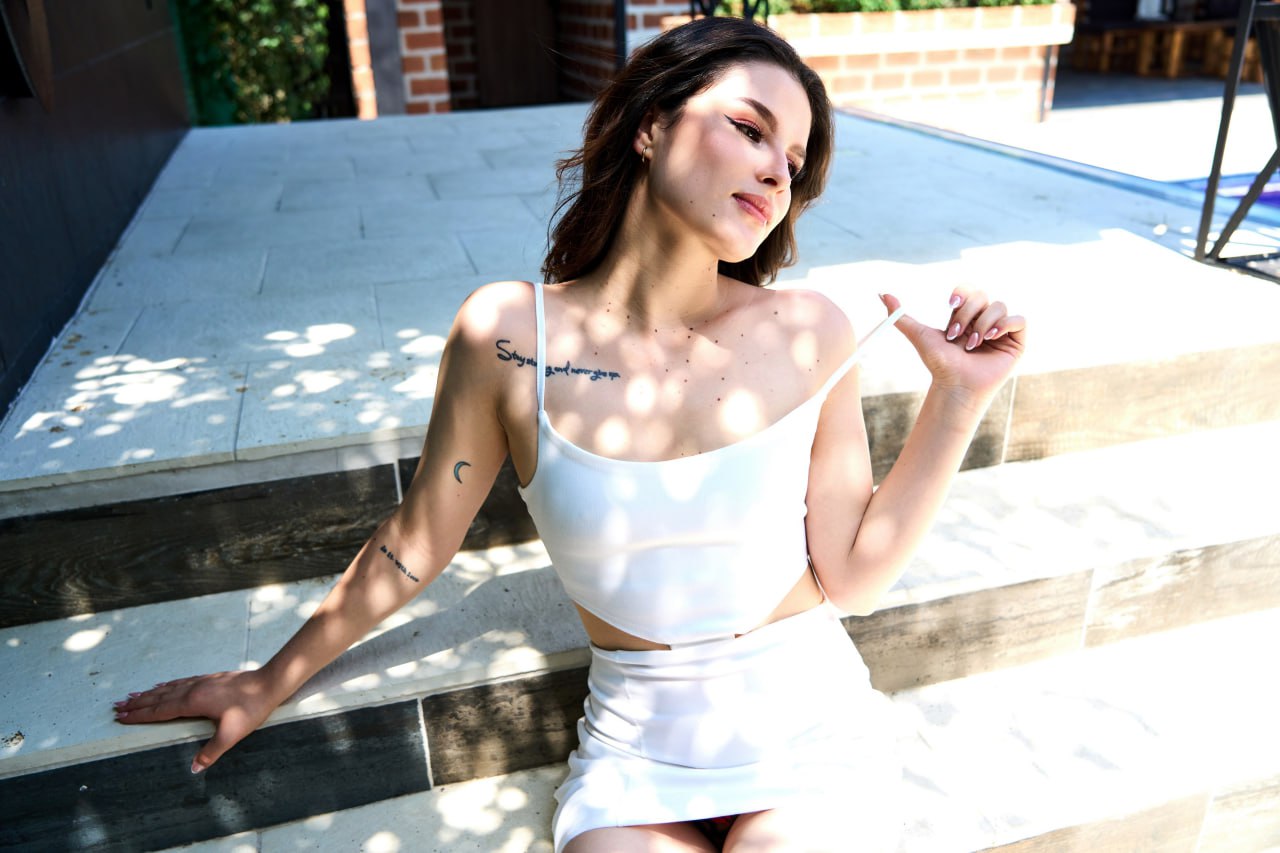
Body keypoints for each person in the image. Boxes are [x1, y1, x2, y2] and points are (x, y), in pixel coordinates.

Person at [114, 16, 1025, 853]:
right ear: (651, 126)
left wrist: (957, 397)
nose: (778, 173)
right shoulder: (510, 336)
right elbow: (416, 541)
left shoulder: (810, 330)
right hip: (636, 756)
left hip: (811, 732)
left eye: (794, 161)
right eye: (750, 129)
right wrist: (267, 679)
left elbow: (854, 575)